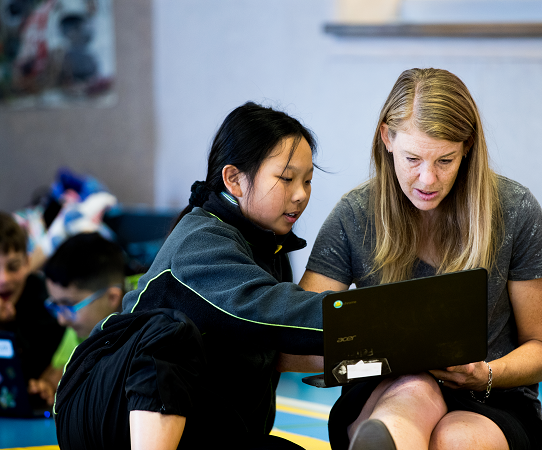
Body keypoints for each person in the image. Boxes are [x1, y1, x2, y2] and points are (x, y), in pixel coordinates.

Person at [300, 68, 542, 450]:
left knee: (456, 440)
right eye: (412, 159)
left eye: (445, 160)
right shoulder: (354, 216)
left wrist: (485, 373)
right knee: (413, 390)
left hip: (492, 395)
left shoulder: (514, 210)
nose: (427, 179)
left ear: (467, 145)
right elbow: (300, 338)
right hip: (386, 388)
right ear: (387, 138)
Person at [54, 102, 328, 450]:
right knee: (171, 333)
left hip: (194, 425)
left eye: (307, 181)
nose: (301, 194)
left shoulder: (269, 250)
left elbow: (280, 348)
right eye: (286, 179)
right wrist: (377, 319)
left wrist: (376, 351)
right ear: (234, 180)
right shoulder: (201, 240)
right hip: (101, 411)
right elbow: (277, 311)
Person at [27, 232, 126, 406]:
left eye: (69, 305)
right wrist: (47, 388)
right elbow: (57, 372)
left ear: (112, 298)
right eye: (56, 305)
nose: (61, 320)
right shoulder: (83, 326)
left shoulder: (146, 323)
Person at [0, 211, 65, 387]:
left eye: (13, 267)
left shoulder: (48, 304)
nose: (4, 279)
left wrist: (8, 326)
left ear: (28, 263)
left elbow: (31, 374)